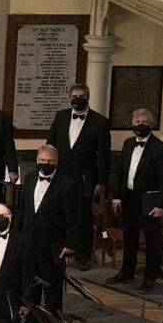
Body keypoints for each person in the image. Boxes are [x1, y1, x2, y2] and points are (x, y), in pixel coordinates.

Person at [47, 84, 111, 270]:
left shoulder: (100, 121)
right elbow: (50, 144)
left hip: (84, 177)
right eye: (74, 96)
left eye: (81, 95)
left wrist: (101, 181)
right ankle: (60, 251)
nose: (77, 98)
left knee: (82, 217)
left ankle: (83, 256)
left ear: (88, 97)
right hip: (60, 175)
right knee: (59, 214)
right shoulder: (60, 117)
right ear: (69, 98)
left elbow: (104, 154)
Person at [108, 109, 163, 294]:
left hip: (149, 200)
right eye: (137, 121)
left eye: (144, 122)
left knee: (152, 240)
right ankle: (127, 271)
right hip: (129, 197)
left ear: (151, 125)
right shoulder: (128, 144)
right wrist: (117, 198)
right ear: (132, 123)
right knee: (130, 238)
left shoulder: (161, 149)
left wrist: (162, 204)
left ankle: (150, 277)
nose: (140, 124)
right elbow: (121, 174)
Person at [16, 145, 79, 320]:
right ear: (37, 160)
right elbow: (23, 210)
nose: (45, 164)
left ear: (56, 162)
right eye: (42, 161)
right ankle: (32, 322)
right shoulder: (29, 178)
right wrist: (16, 236)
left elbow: (73, 218)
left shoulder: (67, 184)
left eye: (49, 161)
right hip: (29, 243)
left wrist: (71, 245)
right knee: (30, 288)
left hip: (53, 247)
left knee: (53, 290)